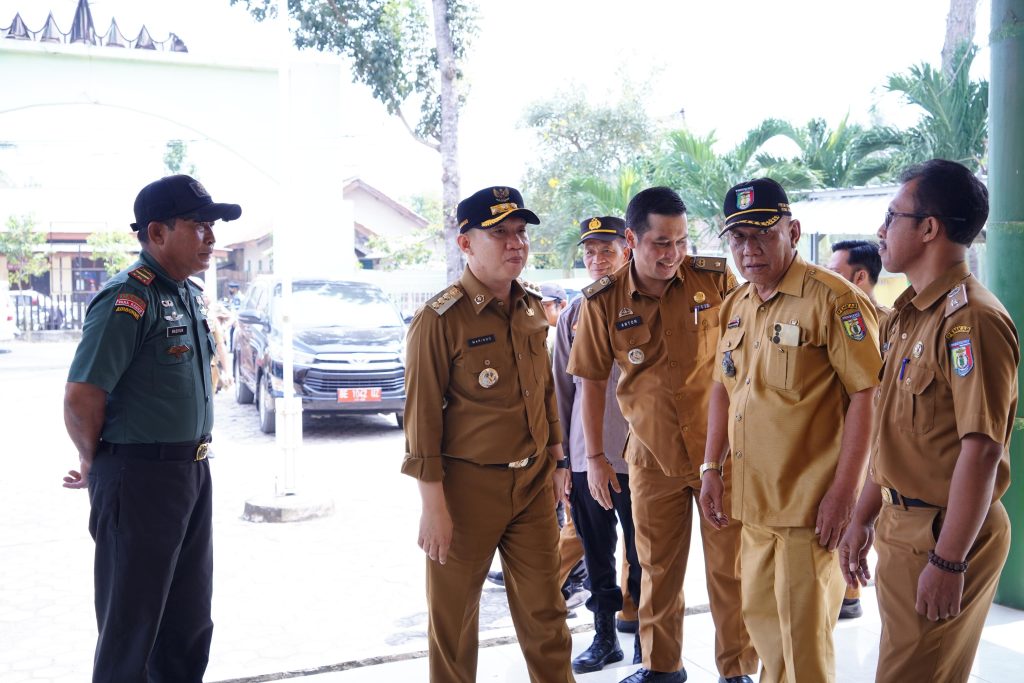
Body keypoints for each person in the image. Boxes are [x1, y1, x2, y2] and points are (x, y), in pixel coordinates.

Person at [839, 159, 1018, 683]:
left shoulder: (972, 320)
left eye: (892, 215)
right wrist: (864, 515)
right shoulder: (909, 314)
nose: (881, 230)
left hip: (944, 532)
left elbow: (982, 448)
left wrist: (948, 561)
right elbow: (893, 432)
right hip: (904, 525)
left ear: (929, 227)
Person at [569, 187, 757, 683]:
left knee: (730, 570)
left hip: (722, 456)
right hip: (650, 457)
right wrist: (595, 458)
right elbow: (589, 382)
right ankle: (662, 667)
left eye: (679, 241)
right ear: (631, 240)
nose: (671, 253)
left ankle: (736, 670)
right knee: (655, 569)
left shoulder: (713, 281)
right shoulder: (602, 301)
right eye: (658, 242)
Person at [699, 177, 882, 683]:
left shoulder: (834, 300)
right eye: (736, 237)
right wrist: (711, 467)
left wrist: (846, 493)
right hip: (752, 503)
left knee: (803, 644)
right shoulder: (736, 305)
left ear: (793, 231)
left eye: (761, 234)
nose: (748, 248)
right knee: (763, 628)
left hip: (809, 506)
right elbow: (723, 389)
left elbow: (870, 394)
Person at [61, 174, 241, 682]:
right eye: (199, 226)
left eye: (212, 227)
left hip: (190, 475)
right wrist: (96, 462)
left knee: (187, 621)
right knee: (132, 630)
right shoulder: (127, 299)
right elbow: (81, 397)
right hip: (139, 480)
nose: (211, 238)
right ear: (157, 232)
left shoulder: (185, 292)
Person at [402, 185, 574, 683]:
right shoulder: (439, 320)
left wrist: (559, 463)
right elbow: (422, 423)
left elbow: (544, 393)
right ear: (465, 244)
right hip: (465, 492)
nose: (515, 243)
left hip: (533, 486)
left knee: (547, 617)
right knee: (453, 626)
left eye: (520, 232)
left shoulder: (530, 308)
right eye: (499, 233)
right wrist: (433, 507)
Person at [552, 215, 641, 674]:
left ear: (627, 249)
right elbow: (561, 394)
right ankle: (604, 637)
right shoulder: (573, 313)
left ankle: (650, 639)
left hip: (640, 454)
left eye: (606, 250)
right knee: (595, 550)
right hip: (589, 458)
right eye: (589, 252)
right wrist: (564, 461)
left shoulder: (647, 302)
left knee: (646, 553)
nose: (597, 259)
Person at [827, 238, 890, 620]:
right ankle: (849, 595)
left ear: (860, 275)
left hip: (880, 452)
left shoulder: (888, 321)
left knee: (872, 529)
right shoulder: (831, 314)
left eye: (835, 272)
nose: (825, 278)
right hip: (852, 445)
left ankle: (855, 593)